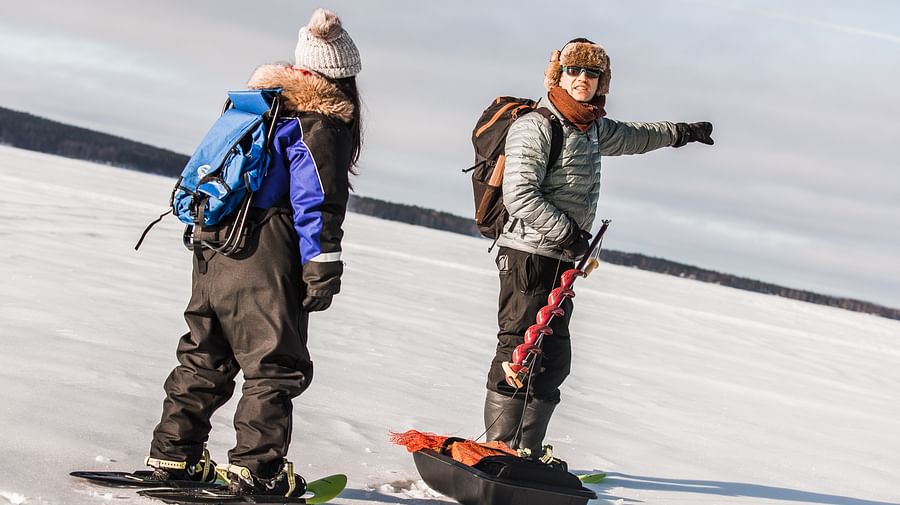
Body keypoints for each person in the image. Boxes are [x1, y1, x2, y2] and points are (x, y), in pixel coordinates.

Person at [144, 8, 362, 497]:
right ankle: (256, 469)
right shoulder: (319, 121)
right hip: (265, 248)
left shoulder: (255, 108)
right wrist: (322, 263)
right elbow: (315, 198)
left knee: (205, 353)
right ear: (343, 76)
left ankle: (173, 455)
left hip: (212, 242)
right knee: (275, 363)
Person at [483, 38, 713, 458]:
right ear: (560, 75)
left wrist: (681, 133)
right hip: (528, 255)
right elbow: (519, 195)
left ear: (602, 81)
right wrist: (567, 233)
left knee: (553, 360)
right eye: (575, 71)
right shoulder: (537, 126)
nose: (583, 80)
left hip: (562, 261)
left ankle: (526, 451)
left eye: (592, 74)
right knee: (518, 350)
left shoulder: (590, 128)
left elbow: (635, 136)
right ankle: (498, 449)